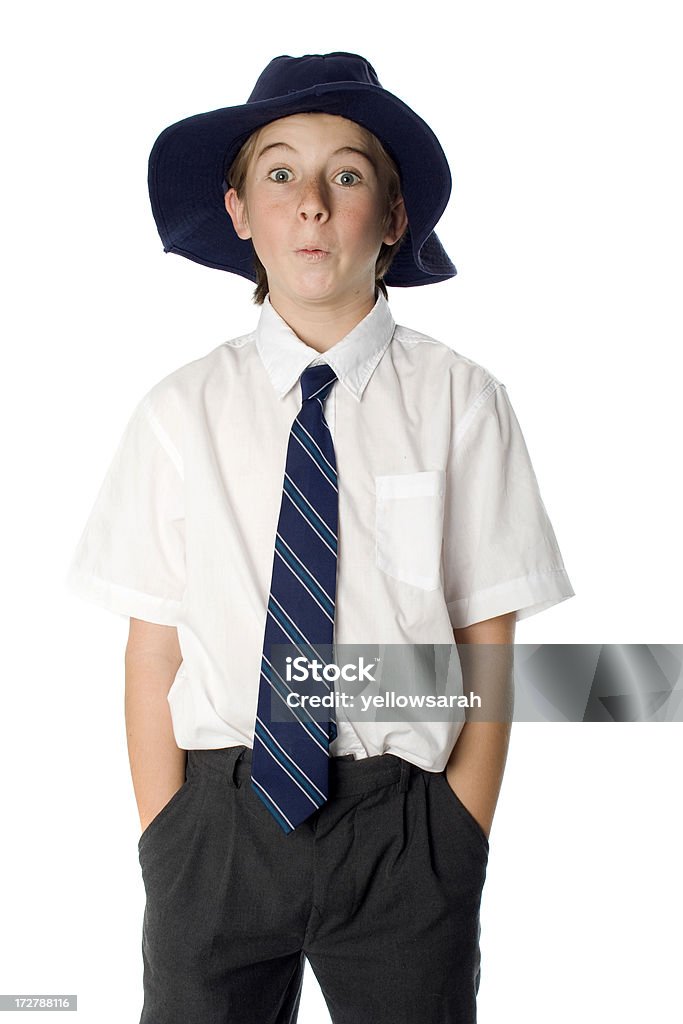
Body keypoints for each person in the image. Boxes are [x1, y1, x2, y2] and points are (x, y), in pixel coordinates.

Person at [65, 52, 575, 1024]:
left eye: (345, 175)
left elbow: (486, 641)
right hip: (217, 817)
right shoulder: (180, 412)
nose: (310, 202)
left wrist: (455, 829)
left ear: (389, 219)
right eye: (278, 173)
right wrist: (165, 834)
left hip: (403, 826)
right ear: (238, 212)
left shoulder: (462, 403)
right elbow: (151, 647)